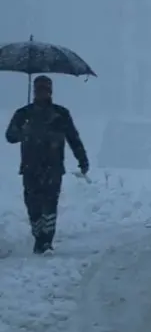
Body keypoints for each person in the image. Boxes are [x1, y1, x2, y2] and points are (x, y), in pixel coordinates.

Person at [5, 75, 89, 254]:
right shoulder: (23, 114)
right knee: (33, 205)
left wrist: (82, 159)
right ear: (34, 91)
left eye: (45, 89)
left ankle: (47, 240)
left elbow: (73, 138)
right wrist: (22, 132)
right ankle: (38, 236)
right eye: (39, 89)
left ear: (50, 91)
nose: (42, 93)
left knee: (50, 204)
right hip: (30, 166)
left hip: (54, 166)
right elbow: (9, 136)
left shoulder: (60, 114)